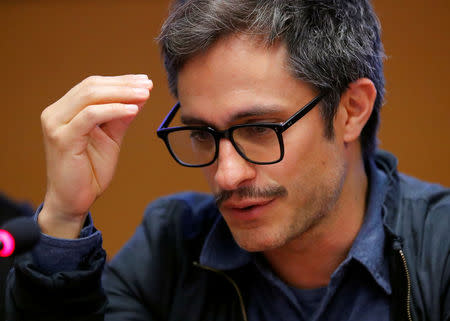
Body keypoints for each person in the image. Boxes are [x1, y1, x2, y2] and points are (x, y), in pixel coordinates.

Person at [5, 0, 449, 320]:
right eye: (203, 134)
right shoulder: (172, 246)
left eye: (260, 129)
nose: (226, 174)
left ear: (352, 109)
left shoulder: (441, 248)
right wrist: (64, 215)